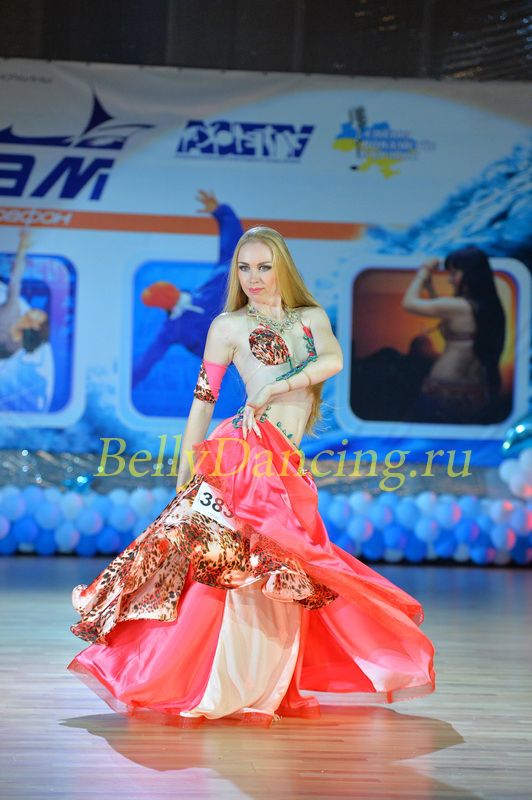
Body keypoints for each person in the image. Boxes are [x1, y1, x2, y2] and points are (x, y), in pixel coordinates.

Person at [68, 227, 435, 728]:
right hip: (246, 455)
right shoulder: (228, 326)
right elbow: (203, 401)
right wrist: (184, 472)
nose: (254, 277)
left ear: (282, 267)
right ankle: (208, 684)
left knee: (279, 572)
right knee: (231, 570)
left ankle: (259, 687)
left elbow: (333, 360)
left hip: (286, 463)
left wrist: (276, 386)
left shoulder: (310, 319)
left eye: (264, 267)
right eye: (244, 268)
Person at [132, 190, 243, 388]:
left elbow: (232, 243)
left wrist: (221, 212)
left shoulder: (217, 281)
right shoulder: (172, 329)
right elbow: (146, 361)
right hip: (233, 351)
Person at [402, 245, 506, 424]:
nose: (450, 280)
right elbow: (446, 314)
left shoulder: (458, 307)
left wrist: (425, 270)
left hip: (443, 390)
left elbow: (409, 303)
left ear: (470, 275)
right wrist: (431, 288)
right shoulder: (491, 309)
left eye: (454, 273)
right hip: (476, 393)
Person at [0, 229, 49, 360]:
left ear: (36, 325)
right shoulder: (14, 310)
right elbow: (15, 279)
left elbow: (15, 280)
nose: (37, 310)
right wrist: (22, 249)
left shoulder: (14, 346)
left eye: (39, 315)